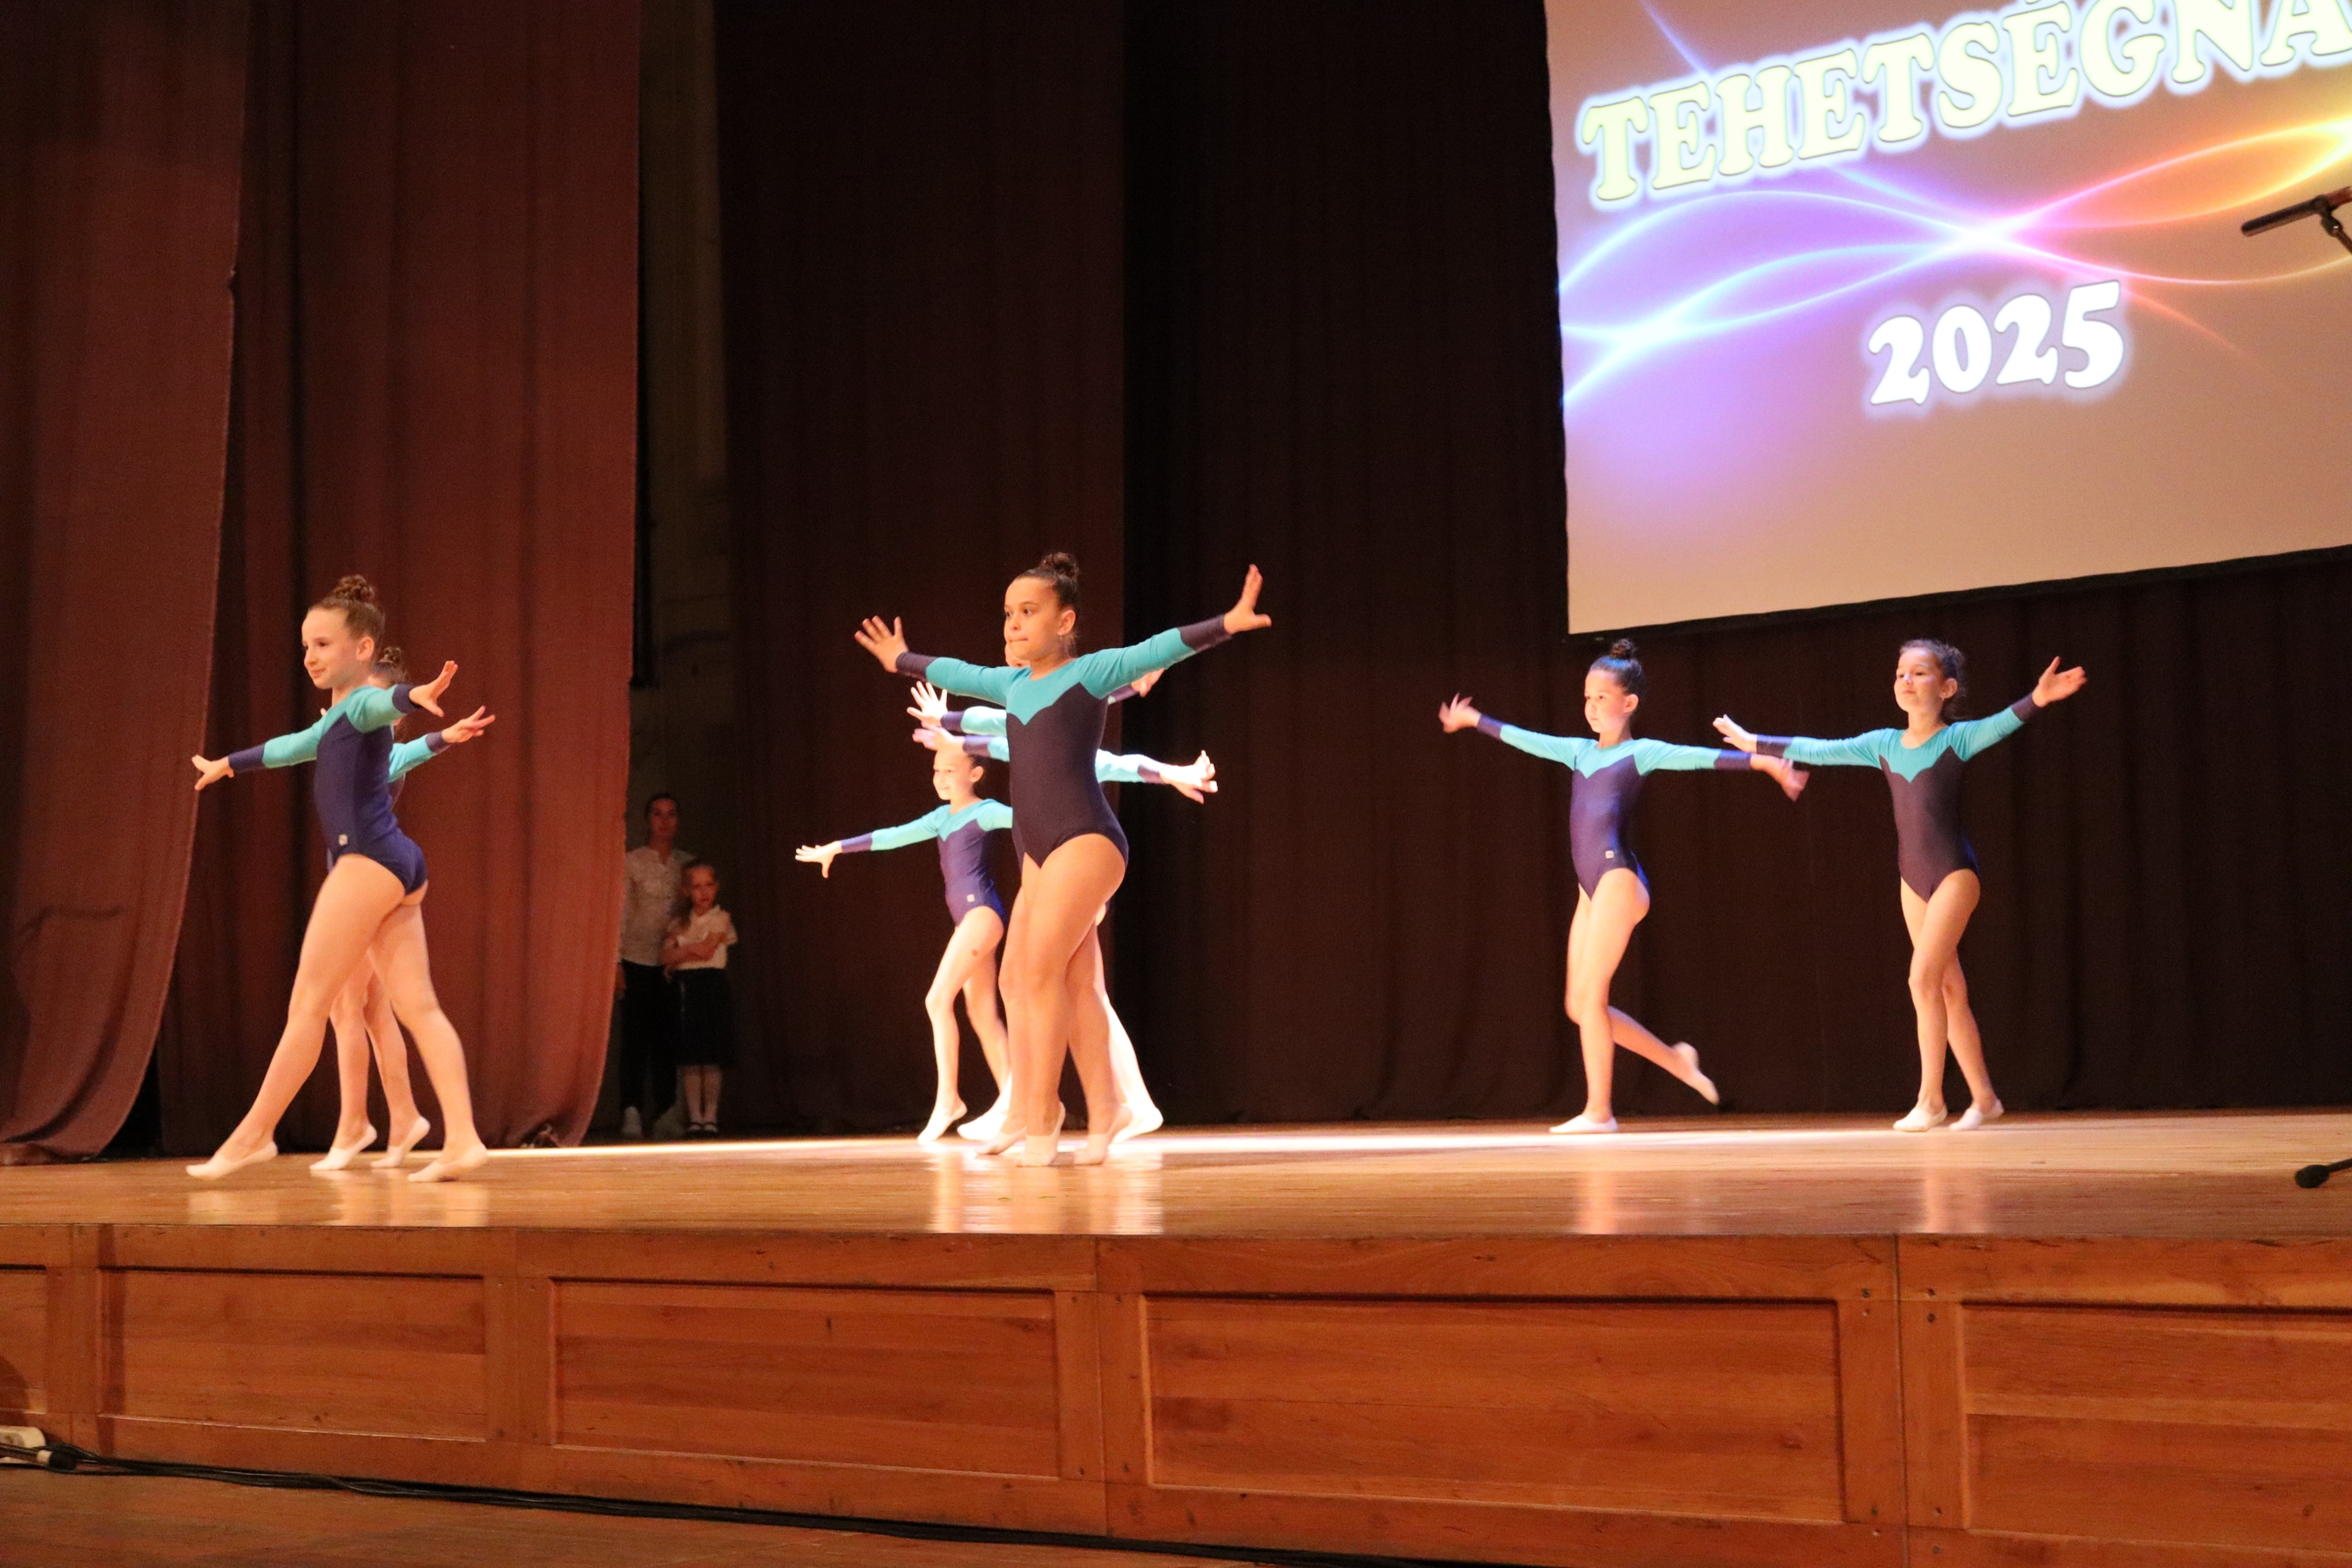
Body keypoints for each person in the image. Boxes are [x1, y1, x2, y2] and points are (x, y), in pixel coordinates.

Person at [855, 555, 1270, 1166]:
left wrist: (1226, 623)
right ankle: (1105, 1109)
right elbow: (959, 673)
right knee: (1037, 980)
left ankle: (1041, 1111)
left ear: (1065, 620)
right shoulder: (1012, 686)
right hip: (1037, 851)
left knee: (1037, 974)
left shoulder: (1090, 673)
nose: (1013, 624)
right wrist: (902, 660)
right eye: (1008, 614)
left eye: (1029, 612)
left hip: (1086, 840)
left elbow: (1157, 649)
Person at [186, 575, 490, 1183]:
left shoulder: (363, 704)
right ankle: (462, 1138)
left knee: (309, 1005)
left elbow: (386, 703)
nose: (310, 656)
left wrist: (414, 696)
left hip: (368, 861)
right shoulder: (332, 726)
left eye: (323, 644)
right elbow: (286, 747)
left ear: (363, 649)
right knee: (417, 1007)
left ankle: (254, 1135)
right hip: (401, 863)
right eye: (306, 646)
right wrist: (227, 764)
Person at [1440, 639, 1809, 1133]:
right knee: (1579, 1005)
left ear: (1629, 702)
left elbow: (1699, 758)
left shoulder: (1642, 752)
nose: (1591, 707)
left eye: (1602, 697)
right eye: (1587, 697)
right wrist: (1475, 720)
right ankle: (1676, 1061)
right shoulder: (1577, 751)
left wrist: (1763, 762)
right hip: (1590, 888)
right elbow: (1524, 738)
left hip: (1618, 878)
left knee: (1592, 996)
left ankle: (1600, 1112)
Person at [1715, 642, 2086, 1132]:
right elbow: (1820, 749)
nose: (1906, 680)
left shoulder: (1958, 739)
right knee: (1948, 988)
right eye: (1900, 673)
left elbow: (2001, 723)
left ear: (1947, 688)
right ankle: (1985, 1098)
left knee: (1921, 980)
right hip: (1912, 880)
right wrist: (1754, 742)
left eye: (1920, 673)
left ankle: (1930, 1100)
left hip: (1954, 874)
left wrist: (2037, 698)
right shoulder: (1883, 744)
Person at [912, 689, 1214, 1144]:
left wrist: (1171, 771)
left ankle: (1047, 1107)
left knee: (1063, 988)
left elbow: (1121, 762)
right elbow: (1002, 733)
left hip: (1077, 879)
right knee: (1081, 992)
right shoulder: (1029, 745)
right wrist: (952, 729)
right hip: (1053, 880)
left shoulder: (1073, 755)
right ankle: (1125, 1104)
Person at [314, 651, 497, 1173]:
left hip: (366, 885)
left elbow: (408, 752)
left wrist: (442, 738)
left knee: (346, 1006)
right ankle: (403, 1117)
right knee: (374, 1008)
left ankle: (355, 1125)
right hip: (361, 879)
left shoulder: (380, 753)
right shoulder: (356, 745)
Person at [617, 794, 689, 1138]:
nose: (664, 821)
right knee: (634, 1038)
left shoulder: (685, 864)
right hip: (634, 959)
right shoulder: (632, 862)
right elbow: (620, 912)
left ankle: (667, 1109)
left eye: (671, 814)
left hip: (671, 964)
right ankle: (630, 1109)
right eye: (658, 814)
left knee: (668, 1038)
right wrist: (615, 961)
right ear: (647, 820)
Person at [663, 862, 738, 1137]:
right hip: (687, 986)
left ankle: (710, 1116)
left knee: (712, 1055)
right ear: (686, 890)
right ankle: (695, 1117)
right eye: (696, 886)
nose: (703, 892)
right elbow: (665, 956)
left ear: (716, 888)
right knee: (691, 1056)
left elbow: (708, 950)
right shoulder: (678, 923)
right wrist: (684, 952)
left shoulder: (721, 918)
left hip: (713, 984)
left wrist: (683, 948)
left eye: (708, 885)